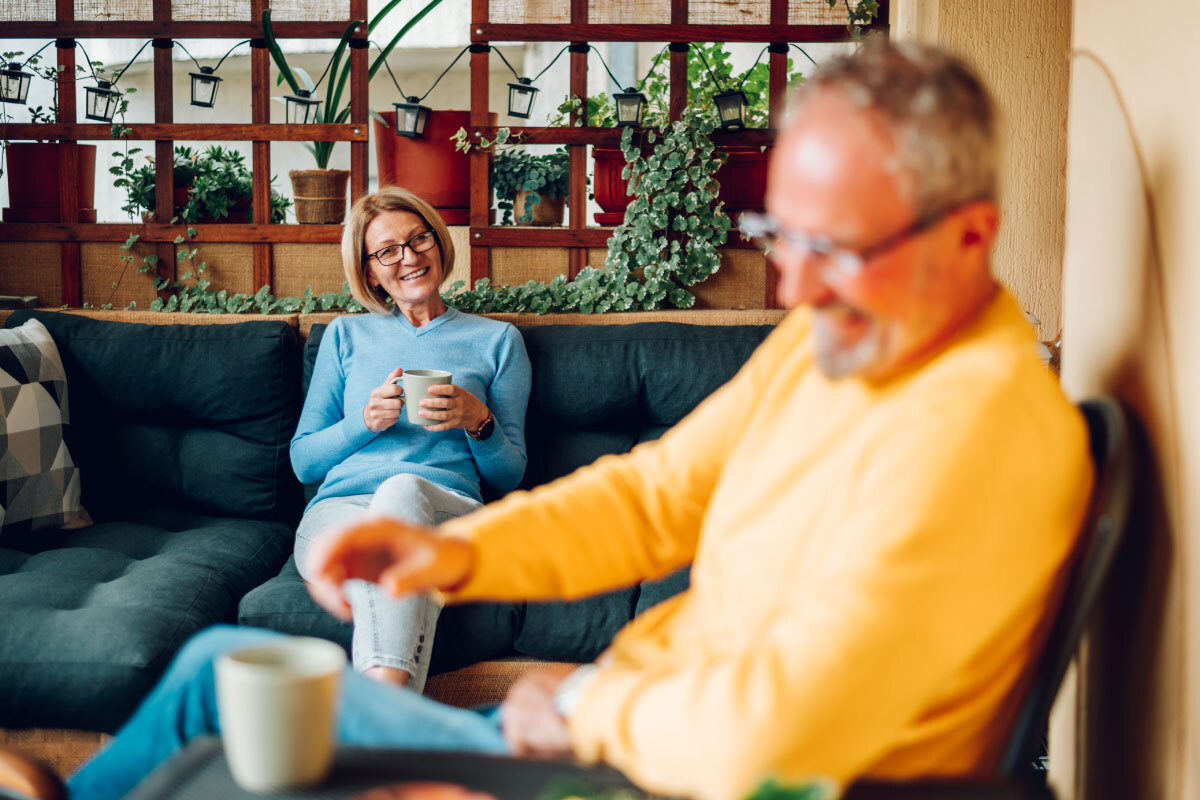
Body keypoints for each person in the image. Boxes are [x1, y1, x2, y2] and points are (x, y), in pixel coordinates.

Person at [41, 39, 1092, 800]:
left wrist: (583, 708)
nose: (796, 282)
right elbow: (651, 493)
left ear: (970, 236)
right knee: (213, 705)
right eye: (783, 233)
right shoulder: (839, 349)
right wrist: (444, 555)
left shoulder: (977, 432)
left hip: (658, 766)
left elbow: (776, 728)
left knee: (211, 692)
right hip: (633, 725)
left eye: (840, 247)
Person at [289, 185, 531, 691]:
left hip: (446, 509)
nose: (409, 257)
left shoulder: (497, 340)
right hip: (340, 514)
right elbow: (304, 463)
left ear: (439, 244)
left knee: (401, 491)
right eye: (387, 251)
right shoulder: (344, 336)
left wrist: (477, 420)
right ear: (371, 271)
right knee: (388, 552)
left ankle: (379, 720)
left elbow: (509, 476)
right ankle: (390, 716)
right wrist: (364, 421)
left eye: (419, 239)